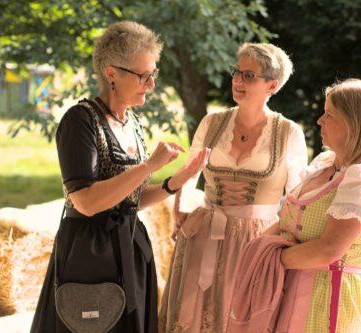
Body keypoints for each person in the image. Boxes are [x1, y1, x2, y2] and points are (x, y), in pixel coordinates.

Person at [30, 21, 209, 333]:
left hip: (129, 247)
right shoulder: (81, 120)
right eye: (143, 75)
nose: (151, 84)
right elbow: (86, 202)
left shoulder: (132, 122)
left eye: (153, 74)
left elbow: (129, 200)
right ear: (111, 73)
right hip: (89, 252)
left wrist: (175, 181)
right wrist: (148, 166)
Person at [158, 43, 308, 332]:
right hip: (203, 235)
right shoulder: (212, 122)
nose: (238, 81)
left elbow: (297, 198)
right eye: (236, 72)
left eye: (249, 76)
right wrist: (180, 209)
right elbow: (190, 175)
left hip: (254, 241)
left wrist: (280, 246)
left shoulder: (288, 133)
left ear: (272, 85)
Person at [271, 78, 361, 332]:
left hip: (329, 298)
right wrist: (253, 250)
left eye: (329, 115)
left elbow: (329, 249)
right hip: (295, 288)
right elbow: (288, 221)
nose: (320, 121)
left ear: (353, 123)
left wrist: (271, 260)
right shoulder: (326, 163)